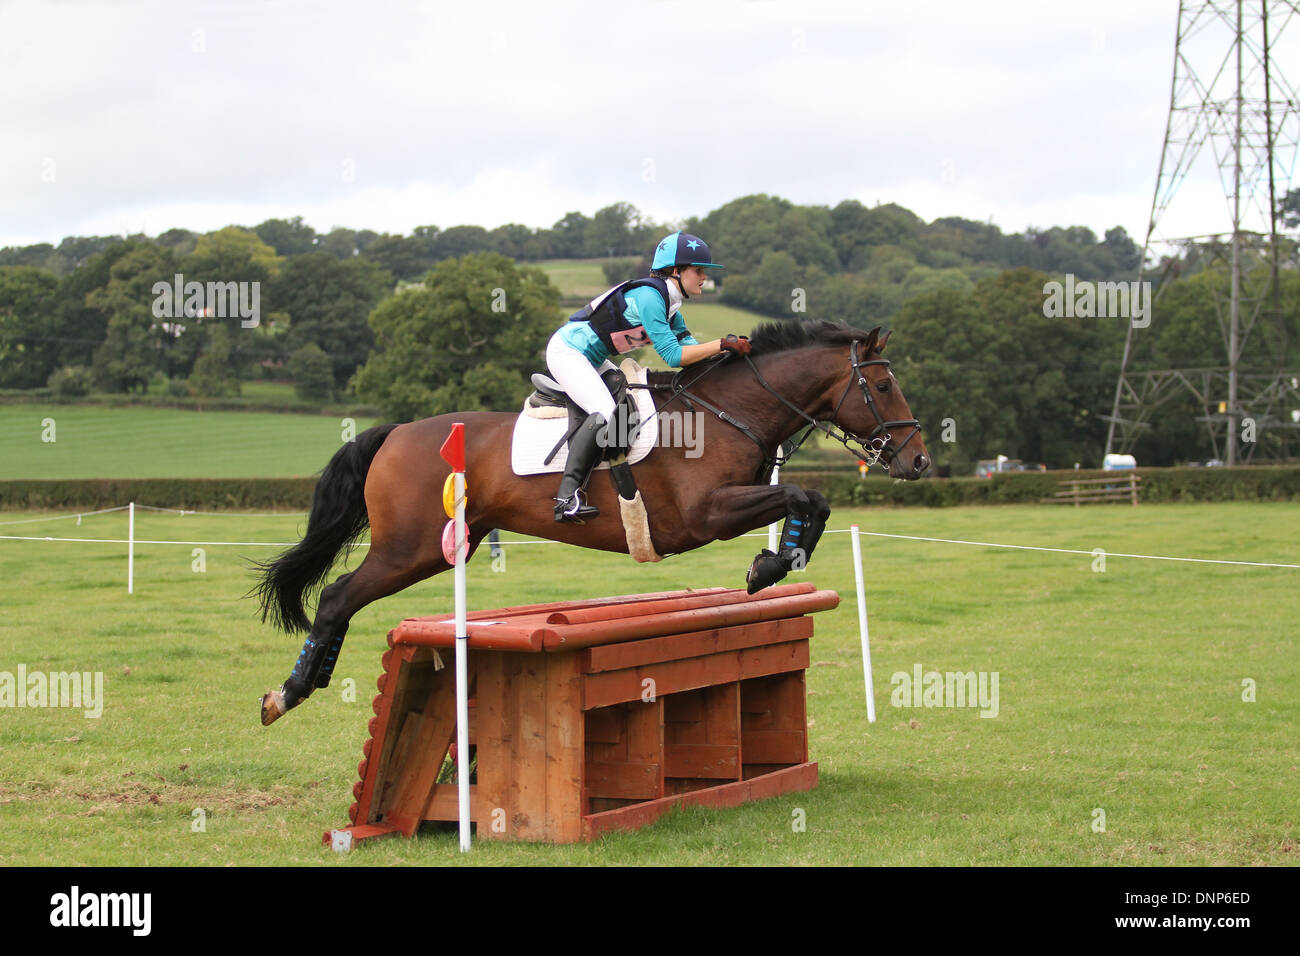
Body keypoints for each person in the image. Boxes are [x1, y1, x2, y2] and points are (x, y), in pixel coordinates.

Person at [546, 231, 750, 522]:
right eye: (698, 270)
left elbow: (690, 350)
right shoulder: (650, 297)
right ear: (676, 271)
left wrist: (729, 355)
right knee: (604, 411)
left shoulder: (670, 305)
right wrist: (720, 343)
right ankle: (566, 497)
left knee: (629, 403)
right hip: (568, 352)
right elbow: (674, 356)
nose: (704, 277)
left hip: (594, 358)